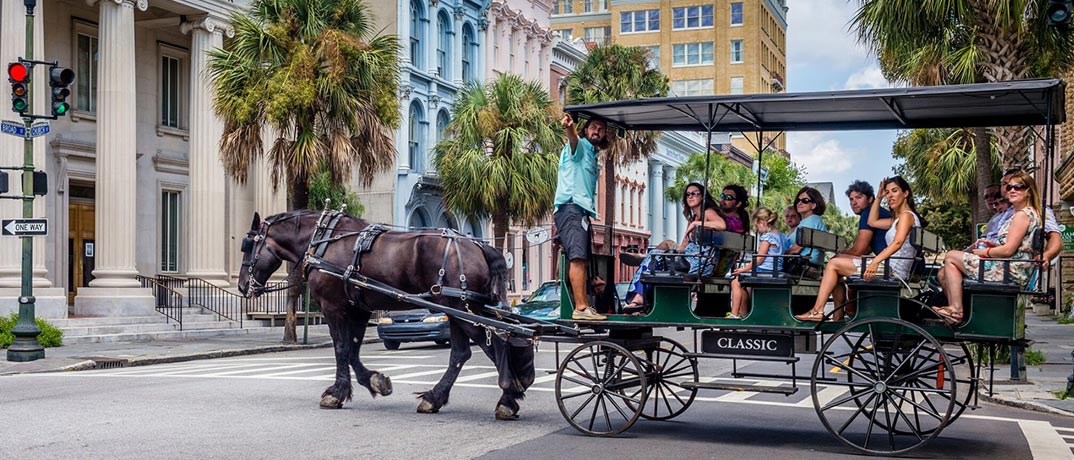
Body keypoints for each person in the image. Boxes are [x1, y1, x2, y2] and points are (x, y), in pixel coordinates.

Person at [795, 176, 924, 322]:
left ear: (905, 193)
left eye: (894, 191)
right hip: (893, 267)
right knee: (835, 265)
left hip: (893, 270)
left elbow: (897, 243)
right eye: (888, 192)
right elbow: (872, 221)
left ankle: (817, 310)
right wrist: (879, 196)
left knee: (833, 264)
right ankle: (837, 315)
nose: (890, 196)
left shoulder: (906, 216)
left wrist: (875, 262)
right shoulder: (897, 219)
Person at [934, 172, 1041, 325]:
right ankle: (961, 310)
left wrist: (985, 252)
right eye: (1009, 187)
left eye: (1018, 187)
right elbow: (1019, 247)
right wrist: (994, 245)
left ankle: (956, 310)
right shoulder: (1029, 214)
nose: (1011, 190)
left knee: (951, 256)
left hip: (1008, 271)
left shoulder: (1022, 215)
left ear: (1029, 191)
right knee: (946, 269)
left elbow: (1008, 251)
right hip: (1012, 268)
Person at [553, 113, 608, 321]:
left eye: (601, 129)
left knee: (582, 260)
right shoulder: (580, 146)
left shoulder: (592, 155)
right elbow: (573, 140)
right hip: (571, 207)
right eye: (594, 127)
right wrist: (569, 127)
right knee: (577, 258)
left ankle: (584, 305)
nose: (597, 131)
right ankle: (581, 308)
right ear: (585, 130)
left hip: (580, 211)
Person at [729, 208, 786, 318]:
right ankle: (745, 314)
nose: (757, 229)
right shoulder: (781, 236)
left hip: (765, 270)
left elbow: (759, 259)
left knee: (736, 282)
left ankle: (734, 313)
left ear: (762, 222)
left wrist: (743, 269)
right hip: (775, 269)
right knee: (743, 285)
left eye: (757, 226)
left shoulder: (767, 237)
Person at [677, 183, 728, 276]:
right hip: (688, 258)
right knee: (657, 254)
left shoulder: (708, 212)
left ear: (702, 197)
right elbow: (684, 244)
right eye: (688, 194)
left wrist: (696, 223)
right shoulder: (693, 217)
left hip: (702, 261)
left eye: (695, 193)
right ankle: (642, 287)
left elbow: (721, 225)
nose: (690, 196)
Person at [785, 186, 829, 274]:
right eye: (798, 200)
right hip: (806, 266)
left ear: (813, 205)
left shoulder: (811, 221)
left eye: (804, 200)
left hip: (804, 267)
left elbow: (796, 249)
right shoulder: (811, 221)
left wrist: (776, 255)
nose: (799, 203)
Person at [843, 180, 891, 257]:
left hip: (891, 263)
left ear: (870, 199)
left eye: (858, 198)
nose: (853, 203)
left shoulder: (867, 213)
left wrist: (839, 255)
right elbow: (866, 249)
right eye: (851, 199)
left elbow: (859, 250)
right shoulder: (882, 212)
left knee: (834, 262)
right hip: (896, 260)